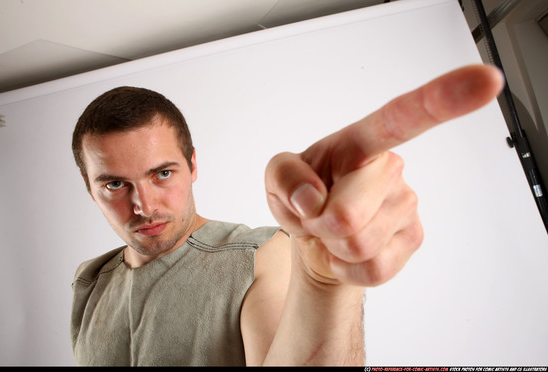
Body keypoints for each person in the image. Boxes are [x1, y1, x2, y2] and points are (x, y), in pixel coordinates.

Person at [70, 64, 504, 366]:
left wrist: (325, 283)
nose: (143, 205)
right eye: (114, 184)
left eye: (162, 173)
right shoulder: (90, 280)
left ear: (193, 166)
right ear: (89, 190)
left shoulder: (260, 255)